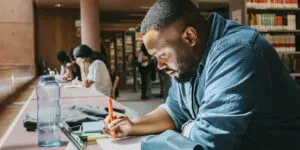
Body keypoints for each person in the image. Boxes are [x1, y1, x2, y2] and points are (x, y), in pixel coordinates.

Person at [104, 0, 300, 149]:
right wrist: (133, 126)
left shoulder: (238, 53)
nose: (160, 65)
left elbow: (209, 140)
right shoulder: (188, 62)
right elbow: (175, 111)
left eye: (163, 55)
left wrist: (185, 129)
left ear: (190, 37)